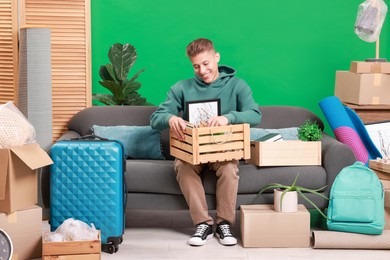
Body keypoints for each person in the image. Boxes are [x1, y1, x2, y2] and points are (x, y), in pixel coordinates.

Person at [150, 38, 261, 246]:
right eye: (196, 66)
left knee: (229, 168)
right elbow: (155, 119)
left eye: (206, 63)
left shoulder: (237, 85)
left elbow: (255, 115)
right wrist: (171, 118)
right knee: (182, 165)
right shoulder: (181, 88)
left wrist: (229, 118)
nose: (202, 70)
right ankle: (203, 224)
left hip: (223, 150)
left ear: (216, 57)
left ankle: (224, 224)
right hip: (192, 151)